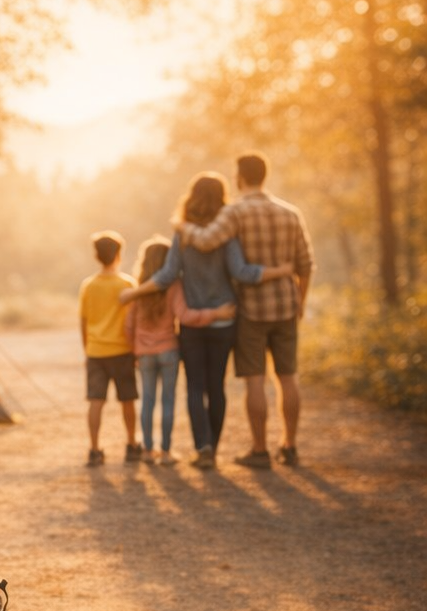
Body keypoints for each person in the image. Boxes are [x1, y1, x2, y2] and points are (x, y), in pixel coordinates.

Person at [120, 172, 294, 469]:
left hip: (191, 324)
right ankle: (212, 447)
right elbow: (241, 272)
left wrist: (135, 292)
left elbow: (167, 275)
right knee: (216, 387)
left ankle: (202, 447)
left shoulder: (183, 235)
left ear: (192, 197)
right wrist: (280, 271)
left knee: (195, 387)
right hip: (224, 321)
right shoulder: (227, 235)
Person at [177, 152, 314, 468]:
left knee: (255, 379)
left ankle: (260, 450)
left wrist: (181, 227)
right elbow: (305, 265)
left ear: (240, 177)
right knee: (288, 376)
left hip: (251, 310)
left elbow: (206, 241)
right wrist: (300, 302)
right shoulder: (290, 213)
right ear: (264, 175)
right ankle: (290, 446)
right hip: (286, 306)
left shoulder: (235, 212)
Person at [124, 235, 238, 466]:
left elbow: (128, 325)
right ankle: (166, 452)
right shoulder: (174, 286)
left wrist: (134, 350)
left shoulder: (139, 289)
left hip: (144, 354)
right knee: (168, 402)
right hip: (169, 351)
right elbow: (185, 316)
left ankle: (147, 451)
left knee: (147, 402)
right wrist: (216, 314)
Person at [78, 230, 140, 467]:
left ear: (96, 256)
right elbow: (134, 320)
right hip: (122, 350)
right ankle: (132, 445)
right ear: (118, 255)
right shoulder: (127, 284)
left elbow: (83, 321)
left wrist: (87, 350)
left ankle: (94, 449)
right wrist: (135, 349)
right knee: (127, 400)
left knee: (96, 401)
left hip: (96, 351)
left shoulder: (88, 285)